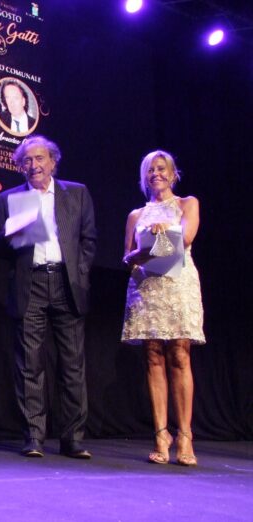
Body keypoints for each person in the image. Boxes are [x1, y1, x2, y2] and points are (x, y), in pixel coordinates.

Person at [0, 135, 96, 459]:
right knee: (29, 365)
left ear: (53, 161)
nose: (33, 165)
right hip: (30, 283)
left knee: (72, 365)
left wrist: (79, 272)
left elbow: (88, 240)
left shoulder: (76, 193)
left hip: (66, 283)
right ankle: (34, 437)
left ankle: (73, 439)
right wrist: (13, 232)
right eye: (27, 160)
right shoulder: (10, 198)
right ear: (20, 166)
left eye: (39, 159)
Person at [121, 150, 204, 466]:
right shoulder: (136, 215)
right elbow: (127, 257)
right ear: (144, 177)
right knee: (153, 354)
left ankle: (185, 435)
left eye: (161, 168)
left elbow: (186, 239)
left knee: (180, 354)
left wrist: (162, 235)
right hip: (147, 286)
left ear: (173, 173)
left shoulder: (187, 204)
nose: (156, 173)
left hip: (177, 283)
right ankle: (160, 435)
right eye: (150, 170)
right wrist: (142, 249)